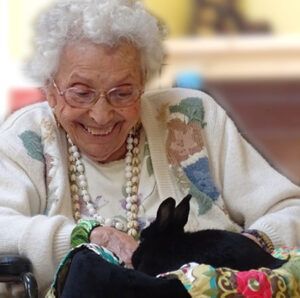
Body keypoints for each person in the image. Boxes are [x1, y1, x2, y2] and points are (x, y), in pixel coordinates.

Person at [0, 0, 299, 296]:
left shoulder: (193, 117)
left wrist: (248, 249)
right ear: (50, 90)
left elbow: (290, 209)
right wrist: (86, 237)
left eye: (122, 93)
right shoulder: (26, 139)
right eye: (81, 93)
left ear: (144, 83)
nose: (101, 114)